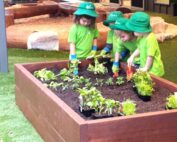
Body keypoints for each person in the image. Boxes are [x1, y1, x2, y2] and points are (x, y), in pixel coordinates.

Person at [126, 12, 164, 77]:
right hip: (145, 66)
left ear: (141, 29)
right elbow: (139, 48)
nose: (133, 32)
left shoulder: (150, 39)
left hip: (154, 70)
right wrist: (132, 56)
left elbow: (150, 56)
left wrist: (146, 68)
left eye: (134, 30)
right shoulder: (141, 37)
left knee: (154, 84)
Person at [68, 2, 99, 75]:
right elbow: (72, 44)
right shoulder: (74, 28)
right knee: (74, 75)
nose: (86, 23)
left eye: (89, 21)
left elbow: (95, 38)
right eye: (84, 21)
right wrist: (73, 58)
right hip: (76, 57)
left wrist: (94, 51)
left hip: (88, 57)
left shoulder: (93, 27)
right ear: (78, 18)